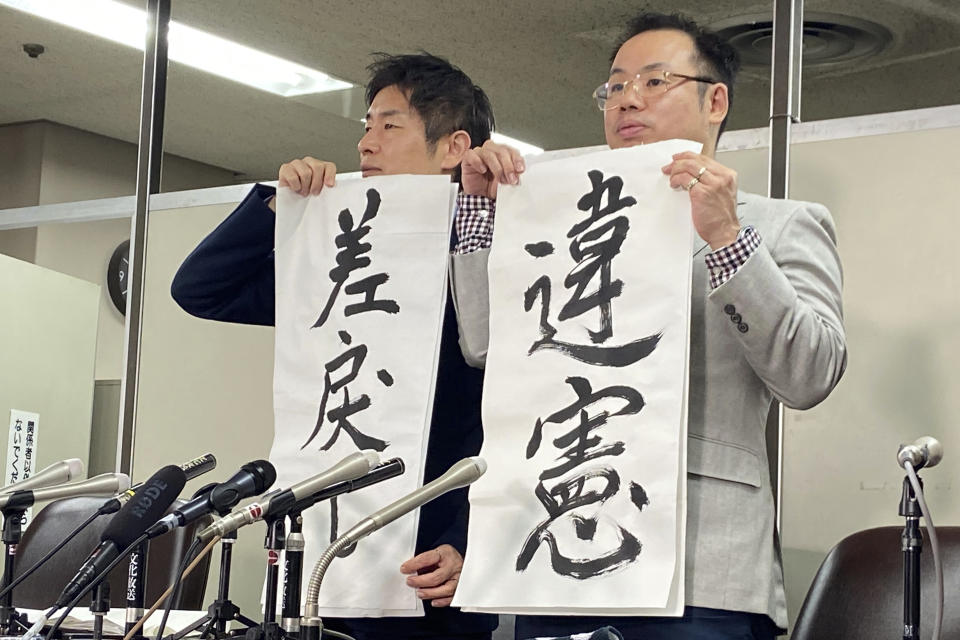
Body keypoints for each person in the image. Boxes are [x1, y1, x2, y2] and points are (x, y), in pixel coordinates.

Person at [449, 12, 847, 640]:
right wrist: (475, 209)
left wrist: (726, 238)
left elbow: (810, 374)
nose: (628, 98)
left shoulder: (781, 224)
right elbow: (485, 345)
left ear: (715, 100)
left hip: (700, 568)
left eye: (656, 81)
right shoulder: (566, 229)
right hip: (560, 554)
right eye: (615, 86)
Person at [171, 52, 498, 640]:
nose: (367, 144)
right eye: (365, 126)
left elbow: (519, 423)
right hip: (319, 554)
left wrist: (471, 541)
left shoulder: (486, 254)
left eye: (390, 126)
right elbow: (201, 290)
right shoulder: (336, 263)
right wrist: (277, 202)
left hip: (432, 559)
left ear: (453, 147)